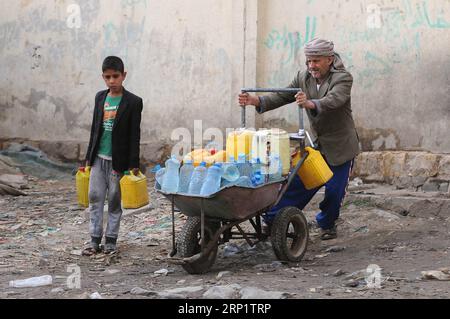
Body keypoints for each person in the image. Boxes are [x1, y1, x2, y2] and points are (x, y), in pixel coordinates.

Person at [238, 38, 359, 240]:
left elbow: (334, 100)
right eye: (309, 61)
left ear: (329, 59)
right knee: (297, 185)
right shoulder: (303, 77)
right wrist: (255, 100)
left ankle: (327, 224)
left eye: (316, 61)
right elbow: (282, 96)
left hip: (341, 148)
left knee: (334, 192)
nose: (312, 66)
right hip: (317, 144)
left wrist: (311, 103)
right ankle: (274, 220)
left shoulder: (343, 78)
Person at [83, 56, 143, 254]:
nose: (112, 81)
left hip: (119, 161)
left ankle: (111, 240)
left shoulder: (133, 102)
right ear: (103, 77)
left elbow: (135, 134)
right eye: (107, 77)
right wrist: (87, 158)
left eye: (115, 76)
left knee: (115, 200)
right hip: (98, 158)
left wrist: (133, 163)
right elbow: (95, 129)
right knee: (95, 196)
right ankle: (94, 240)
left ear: (123, 76)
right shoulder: (100, 97)